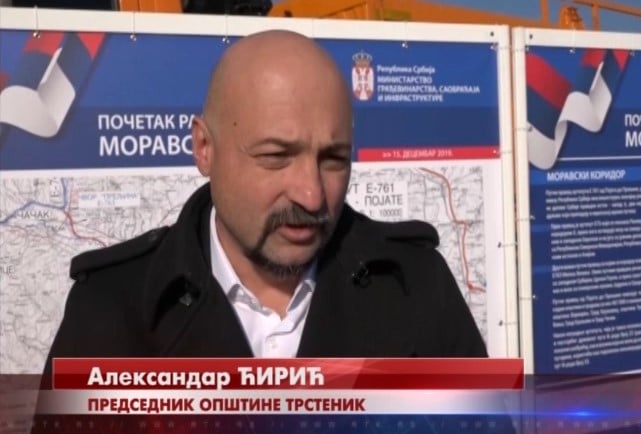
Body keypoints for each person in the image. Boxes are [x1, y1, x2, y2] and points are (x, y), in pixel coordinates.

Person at [42, 30, 487, 373]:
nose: (311, 194)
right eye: (276, 157)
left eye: (333, 159)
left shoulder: (418, 286)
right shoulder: (109, 308)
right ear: (204, 148)